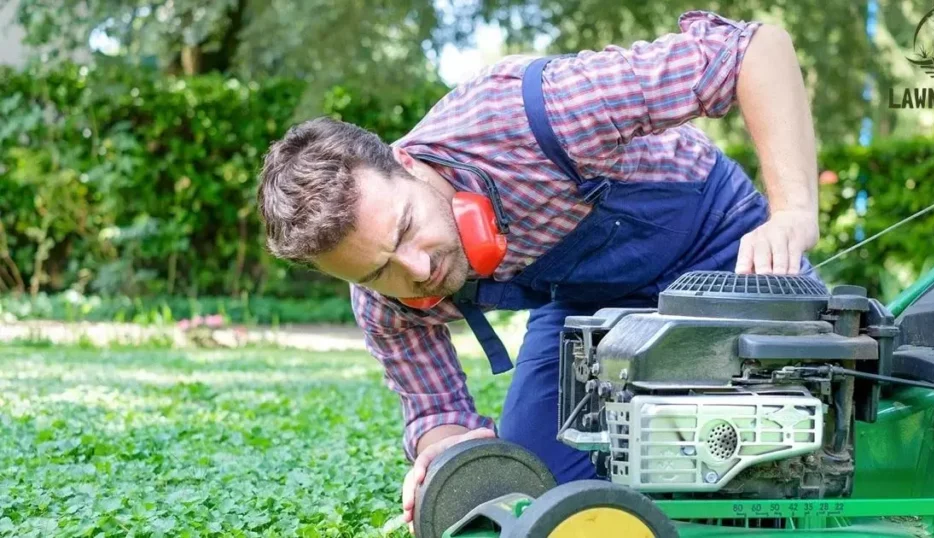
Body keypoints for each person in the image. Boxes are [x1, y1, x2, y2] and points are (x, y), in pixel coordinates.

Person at [256, 9, 820, 533]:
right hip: (587, 306)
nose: (419, 269)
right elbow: (440, 414)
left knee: (806, 424)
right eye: (380, 270)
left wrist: (793, 212)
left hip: (716, 243)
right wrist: (448, 452)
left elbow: (752, 50)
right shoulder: (383, 302)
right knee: (535, 474)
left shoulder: (535, 115)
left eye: (406, 228)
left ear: (406, 161)